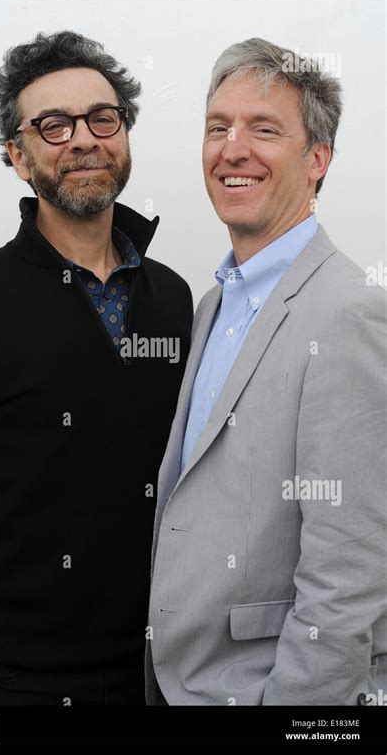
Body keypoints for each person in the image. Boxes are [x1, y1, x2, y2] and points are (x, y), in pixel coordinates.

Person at [0, 30, 193, 706]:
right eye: (52, 125)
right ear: (17, 154)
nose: (84, 140)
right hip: (7, 687)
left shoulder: (176, 300)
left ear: (123, 134)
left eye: (103, 118)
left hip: (164, 679)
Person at [146, 37, 386, 705]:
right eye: (218, 127)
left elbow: (350, 575)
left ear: (318, 160)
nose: (232, 148)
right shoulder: (212, 304)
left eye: (263, 129)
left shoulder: (349, 313)